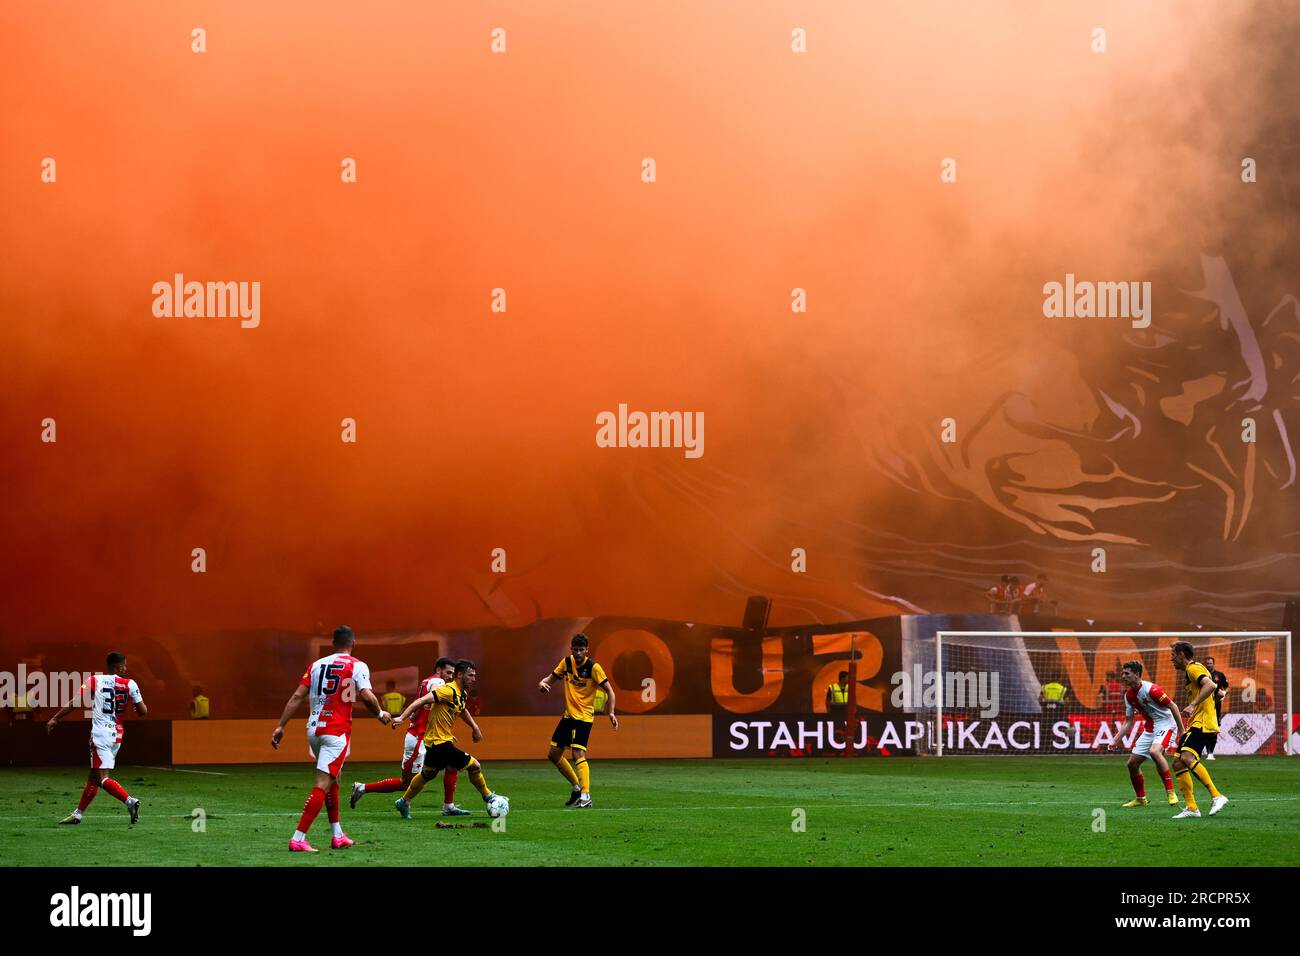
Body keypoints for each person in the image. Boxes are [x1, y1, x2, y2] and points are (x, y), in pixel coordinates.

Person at [271, 625, 392, 852]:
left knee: (334, 779)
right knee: (323, 783)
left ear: (332, 643)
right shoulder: (357, 665)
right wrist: (380, 714)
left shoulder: (316, 665)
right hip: (336, 732)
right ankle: (298, 838)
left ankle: (337, 835)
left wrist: (281, 726)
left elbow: (297, 696)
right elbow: (366, 695)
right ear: (353, 643)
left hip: (314, 730)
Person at [351, 657, 468, 815]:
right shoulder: (438, 683)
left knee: (452, 765)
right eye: (448, 672)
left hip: (431, 738)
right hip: (418, 739)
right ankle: (363, 788)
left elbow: (428, 709)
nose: (450, 676)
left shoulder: (426, 682)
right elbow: (431, 697)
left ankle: (449, 806)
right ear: (439, 670)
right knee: (407, 783)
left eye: (453, 674)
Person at [391, 659, 502, 818]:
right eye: (470, 675)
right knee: (474, 766)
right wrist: (402, 717)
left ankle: (404, 802)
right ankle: (489, 797)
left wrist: (475, 727)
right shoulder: (447, 690)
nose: (474, 678)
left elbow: (462, 710)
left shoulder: (461, 693)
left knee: (428, 774)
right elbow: (421, 700)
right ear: (460, 675)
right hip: (439, 743)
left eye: (475, 675)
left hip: (437, 742)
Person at [46, 652, 146, 826]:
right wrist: (137, 710)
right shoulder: (130, 684)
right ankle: (78, 814)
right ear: (118, 666)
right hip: (117, 736)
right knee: (94, 777)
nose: (126, 668)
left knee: (101, 778)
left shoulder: (94, 681)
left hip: (100, 735)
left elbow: (75, 702)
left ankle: (130, 801)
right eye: (124, 665)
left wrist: (56, 718)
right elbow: (143, 710)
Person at [538, 633, 618, 808]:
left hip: (583, 718)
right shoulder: (566, 663)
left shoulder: (593, 668)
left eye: (582, 650)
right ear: (571, 649)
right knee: (553, 754)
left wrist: (610, 712)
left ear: (587, 650)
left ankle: (586, 795)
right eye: (575, 650)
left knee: (578, 754)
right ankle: (576, 788)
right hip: (568, 716)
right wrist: (542, 685)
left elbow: (610, 691)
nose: (578, 653)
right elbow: (548, 680)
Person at [1107, 661, 1183, 807]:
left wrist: (1182, 731)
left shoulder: (1152, 690)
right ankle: (1141, 799)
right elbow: (1128, 721)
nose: (1123, 676)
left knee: (1155, 752)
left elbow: (1173, 706)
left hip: (1167, 725)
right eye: (1123, 673)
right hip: (1150, 729)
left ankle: (1171, 792)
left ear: (1137, 674)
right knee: (1132, 764)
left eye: (1127, 674)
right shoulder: (1128, 695)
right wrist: (1115, 740)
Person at [1169, 642, 1228, 819]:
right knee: (1178, 763)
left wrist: (1193, 704)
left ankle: (1217, 796)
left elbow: (1209, 686)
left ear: (1181, 655)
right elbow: (1216, 693)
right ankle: (1192, 808)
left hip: (1201, 723)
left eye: (1173, 654)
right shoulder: (1196, 670)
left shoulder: (1192, 668)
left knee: (1187, 758)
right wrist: (1213, 700)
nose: (1171, 658)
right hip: (1197, 722)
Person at [1201, 656, 1229, 760]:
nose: (1208, 665)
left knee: (1213, 730)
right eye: (1207, 663)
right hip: (1203, 707)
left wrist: (1224, 693)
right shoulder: (1202, 676)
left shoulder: (1219, 675)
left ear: (1213, 664)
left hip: (1216, 708)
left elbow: (1227, 686)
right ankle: (1199, 751)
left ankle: (1210, 753)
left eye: (1210, 663)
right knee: (1202, 730)